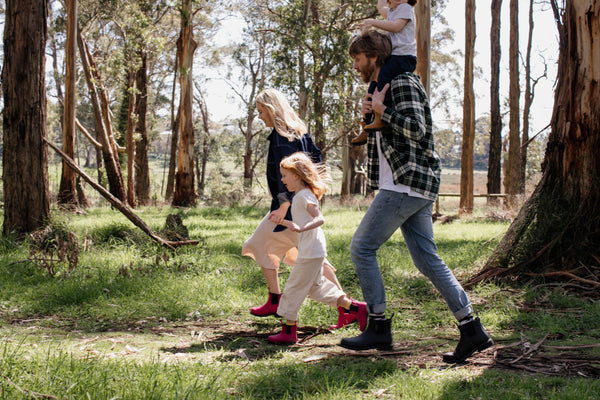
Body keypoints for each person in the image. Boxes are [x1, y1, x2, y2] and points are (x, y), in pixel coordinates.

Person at [340, 30, 493, 364]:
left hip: (406, 183)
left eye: (357, 58)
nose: (355, 64)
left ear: (374, 57)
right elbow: (387, 135)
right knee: (427, 260)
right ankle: (472, 330)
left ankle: (378, 325)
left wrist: (384, 110)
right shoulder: (379, 87)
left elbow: (419, 129)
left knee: (362, 248)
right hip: (407, 183)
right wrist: (370, 120)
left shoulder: (403, 82)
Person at [242, 88, 359, 330]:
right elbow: (313, 159)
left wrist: (285, 203)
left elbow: (292, 170)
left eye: (261, 111)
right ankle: (348, 308)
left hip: (289, 206)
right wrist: (310, 191)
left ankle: (278, 300)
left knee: (258, 243)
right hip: (297, 203)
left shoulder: (282, 135)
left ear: (271, 109)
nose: (260, 116)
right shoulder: (296, 129)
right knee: (314, 257)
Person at [266, 152, 368, 344]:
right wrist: (287, 223)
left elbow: (319, 218)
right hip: (312, 249)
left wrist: (301, 227)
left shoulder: (304, 196)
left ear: (296, 175)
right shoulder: (300, 196)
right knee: (317, 289)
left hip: (311, 251)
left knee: (292, 288)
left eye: (285, 175)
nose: (282, 179)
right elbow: (302, 223)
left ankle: (289, 331)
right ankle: (355, 309)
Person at [353, 0, 418, 145]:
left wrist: (372, 22)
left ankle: (380, 117)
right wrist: (368, 109)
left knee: (383, 81)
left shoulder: (405, 8)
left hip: (404, 57)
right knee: (373, 88)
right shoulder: (392, 12)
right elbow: (381, 7)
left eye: (358, 59)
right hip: (394, 56)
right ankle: (367, 123)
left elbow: (395, 26)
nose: (355, 66)